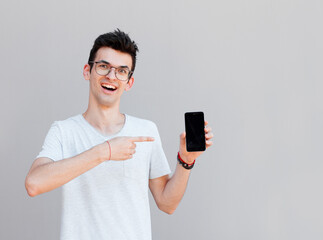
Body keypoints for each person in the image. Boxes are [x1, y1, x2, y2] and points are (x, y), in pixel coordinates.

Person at [24, 29, 213, 240]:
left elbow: (167, 204)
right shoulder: (63, 131)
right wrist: (105, 151)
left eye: (122, 71)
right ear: (87, 71)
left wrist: (185, 161)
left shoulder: (145, 131)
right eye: (104, 66)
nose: (111, 76)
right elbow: (34, 183)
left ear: (129, 82)